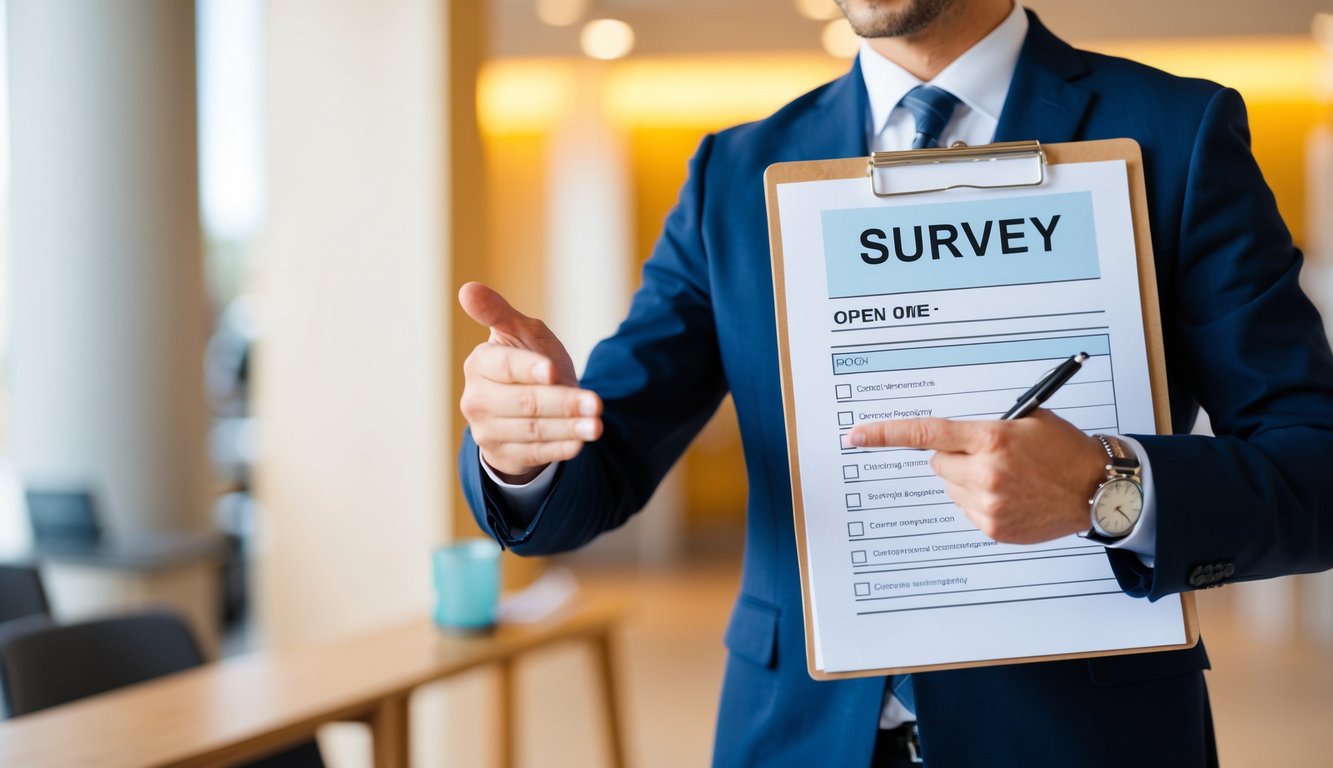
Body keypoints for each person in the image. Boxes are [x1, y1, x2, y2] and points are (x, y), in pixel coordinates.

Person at [457, 1, 1333, 765]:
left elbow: (1315, 465)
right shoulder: (734, 173)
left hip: (1083, 734)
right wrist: (522, 444)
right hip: (798, 739)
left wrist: (1111, 486)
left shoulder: (1175, 135)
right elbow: (595, 468)